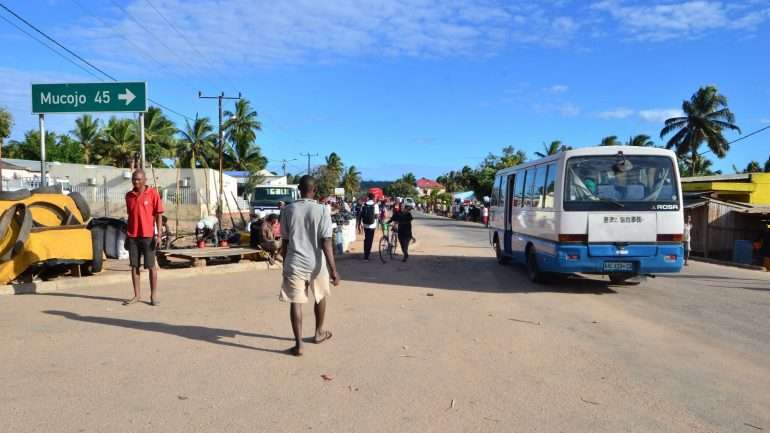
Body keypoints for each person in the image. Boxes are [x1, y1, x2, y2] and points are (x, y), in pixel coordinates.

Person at [279, 175, 340, 356]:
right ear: (314, 191)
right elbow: (326, 242)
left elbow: (285, 242)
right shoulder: (322, 210)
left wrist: (285, 263)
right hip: (317, 262)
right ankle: (318, 333)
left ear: (299, 189)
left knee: (296, 302)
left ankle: (299, 346)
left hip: (295, 262)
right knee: (320, 296)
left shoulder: (288, 210)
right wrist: (334, 270)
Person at [123, 169, 164, 306]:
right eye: (134, 179)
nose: (136, 181)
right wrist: (127, 236)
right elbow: (130, 216)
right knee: (134, 267)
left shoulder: (153, 194)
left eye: (139, 179)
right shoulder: (128, 196)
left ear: (145, 180)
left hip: (148, 236)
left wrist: (158, 235)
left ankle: (153, 295)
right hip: (133, 236)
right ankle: (137, 295)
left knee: (151, 266)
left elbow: (159, 215)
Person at [358, 192, 379, 261]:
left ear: (368, 197)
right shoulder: (375, 205)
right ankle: (367, 256)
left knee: (366, 239)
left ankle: (365, 254)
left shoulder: (364, 204)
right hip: (372, 225)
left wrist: (359, 224)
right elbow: (377, 216)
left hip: (365, 225)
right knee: (370, 240)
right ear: (373, 198)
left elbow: (361, 215)